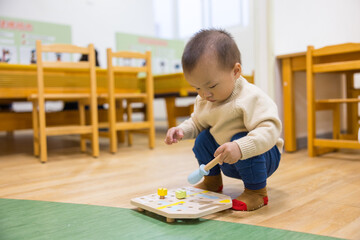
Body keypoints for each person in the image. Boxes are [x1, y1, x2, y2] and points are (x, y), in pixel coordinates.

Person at [165, 29, 283, 211]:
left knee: (239, 138)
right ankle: (212, 181)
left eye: (211, 85)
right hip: (227, 159)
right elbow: (196, 122)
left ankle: (257, 191)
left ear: (236, 71)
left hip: (263, 156)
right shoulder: (205, 99)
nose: (205, 94)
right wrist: (181, 130)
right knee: (203, 139)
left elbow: (270, 129)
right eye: (197, 88)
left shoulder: (251, 97)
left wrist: (241, 147)